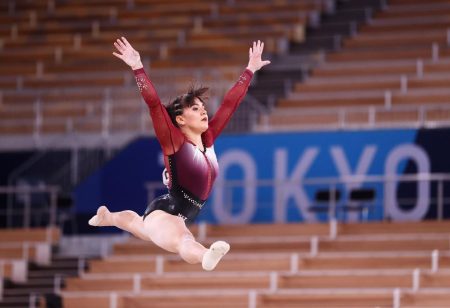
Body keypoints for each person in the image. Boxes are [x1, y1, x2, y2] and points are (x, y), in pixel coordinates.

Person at [89, 37, 270, 271]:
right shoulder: (174, 142)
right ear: (181, 119)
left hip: (178, 213)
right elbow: (154, 105)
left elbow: (229, 105)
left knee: (136, 223)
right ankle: (206, 255)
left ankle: (108, 217)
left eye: (203, 107)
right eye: (195, 108)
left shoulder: (208, 139)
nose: (204, 111)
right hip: (166, 213)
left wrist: (249, 70)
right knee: (183, 240)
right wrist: (137, 67)